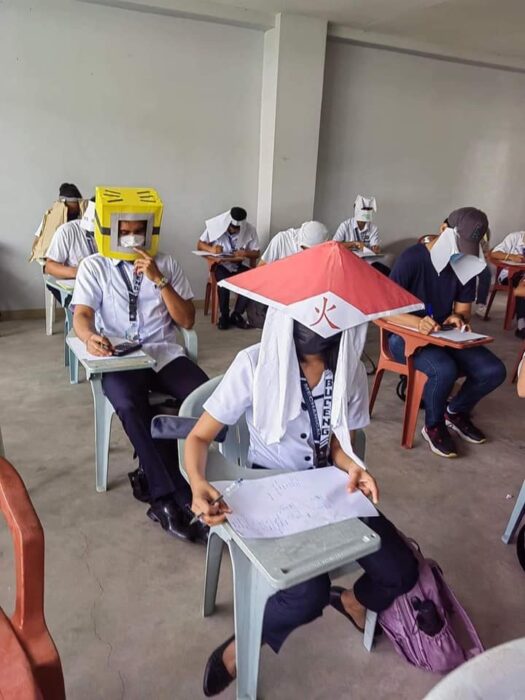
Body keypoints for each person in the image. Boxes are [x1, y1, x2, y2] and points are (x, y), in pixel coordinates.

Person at [184, 242, 422, 696]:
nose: (321, 329)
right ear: (287, 314)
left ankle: (352, 600)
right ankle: (239, 648)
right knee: (304, 597)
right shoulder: (255, 364)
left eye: (333, 318)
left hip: (324, 486)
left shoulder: (347, 369)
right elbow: (198, 437)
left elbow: (334, 442)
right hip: (269, 488)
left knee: (400, 570)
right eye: (310, 315)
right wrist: (198, 483)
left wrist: (353, 466)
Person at [72, 186, 209, 542]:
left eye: (139, 229)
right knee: (131, 406)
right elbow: (82, 315)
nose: (132, 236)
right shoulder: (94, 266)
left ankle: (201, 479)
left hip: (163, 354)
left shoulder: (168, 263)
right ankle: (169, 498)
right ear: (110, 230)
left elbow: (189, 321)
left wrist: (158, 279)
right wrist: (90, 337)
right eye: (125, 229)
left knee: (207, 400)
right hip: (121, 357)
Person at [388, 207, 506, 458]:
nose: (460, 253)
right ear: (444, 230)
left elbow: (463, 310)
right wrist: (415, 323)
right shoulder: (413, 259)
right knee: (444, 369)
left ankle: (454, 412)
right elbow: (384, 311)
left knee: (493, 370)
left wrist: (458, 318)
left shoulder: (464, 262)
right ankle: (433, 426)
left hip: (442, 334)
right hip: (402, 335)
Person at [198, 207, 260, 330]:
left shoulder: (250, 229)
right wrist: (212, 249)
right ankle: (224, 315)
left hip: (238, 265)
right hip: (221, 265)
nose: (234, 230)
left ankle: (237, 314)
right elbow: (200, 244)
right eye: (232, 228)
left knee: (252, 280)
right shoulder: (216, 225)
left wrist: (246, 253)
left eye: (237, 229)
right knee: (223, 283)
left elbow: (256, 253)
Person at [333, 195, 390, 276]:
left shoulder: (373, 228)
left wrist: (376, 248)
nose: (366, 212)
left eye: (369, 209)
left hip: (366, 263)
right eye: (364, 209)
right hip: (348, 261)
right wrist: (354, 244)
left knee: (385, 271)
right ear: (356, 210)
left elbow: (375, 247)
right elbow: (334, 245)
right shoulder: (345, 225)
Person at [30, 183, 85, 263]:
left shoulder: (82, 220)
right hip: (54, 266)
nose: (74, 211)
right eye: (71, 209)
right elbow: (40, 242)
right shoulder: (50, 217)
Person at [45, 198, 97, 280]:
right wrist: (80, 272)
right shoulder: (67, 231)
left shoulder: (116, 234)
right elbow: (49, 267)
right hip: (77, 285)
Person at [490, 230, 525, 338]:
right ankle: (521, 324)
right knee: (521, 283)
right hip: (508, 275)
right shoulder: (515, 237)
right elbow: (494, 253)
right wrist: (511, 256)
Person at [259, 220, 329, 264]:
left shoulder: (326, 248)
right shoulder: (282, 240)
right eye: (305, 249)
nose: (308, 253)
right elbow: (259, 270)